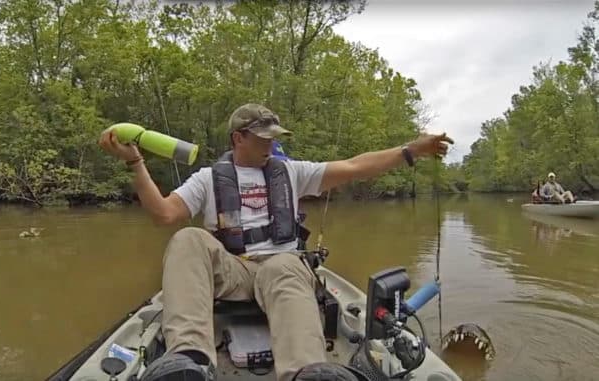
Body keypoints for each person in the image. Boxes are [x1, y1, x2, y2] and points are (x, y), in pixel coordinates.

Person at [98, 103, 453, 381]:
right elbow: (163, 214)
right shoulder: (207, 179)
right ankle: (189, 361)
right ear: (239, 138)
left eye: (273, 136)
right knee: (187, 237)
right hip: (233, 270)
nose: (271, 142)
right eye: (263, 136)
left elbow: (356, 166)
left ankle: (307, 372)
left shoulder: (293, 172)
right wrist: (135, 164)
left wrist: (411, 151)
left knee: (284, 264)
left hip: (282, 270)